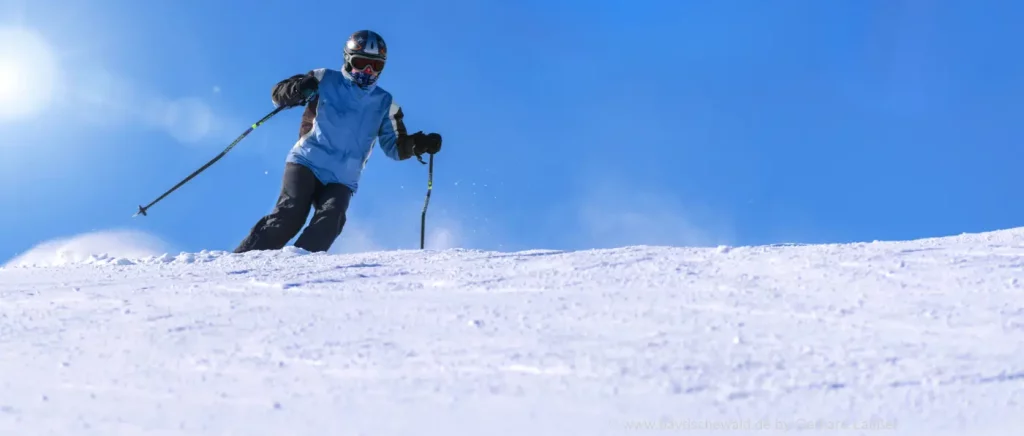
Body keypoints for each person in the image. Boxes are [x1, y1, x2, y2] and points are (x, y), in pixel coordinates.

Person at [234, 30, 442, 254]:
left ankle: (297, 267)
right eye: (361, 63)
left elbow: (395, 147)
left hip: (343, 178)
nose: (368, 71)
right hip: (307, 162)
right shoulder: (324, 78)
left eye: (375, 66)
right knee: (290, 216)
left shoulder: (385, 103)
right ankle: (242, 262)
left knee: (331, 220)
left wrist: (418, 144)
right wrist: (299, 88)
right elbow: (279, 95)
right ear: (347, 59)